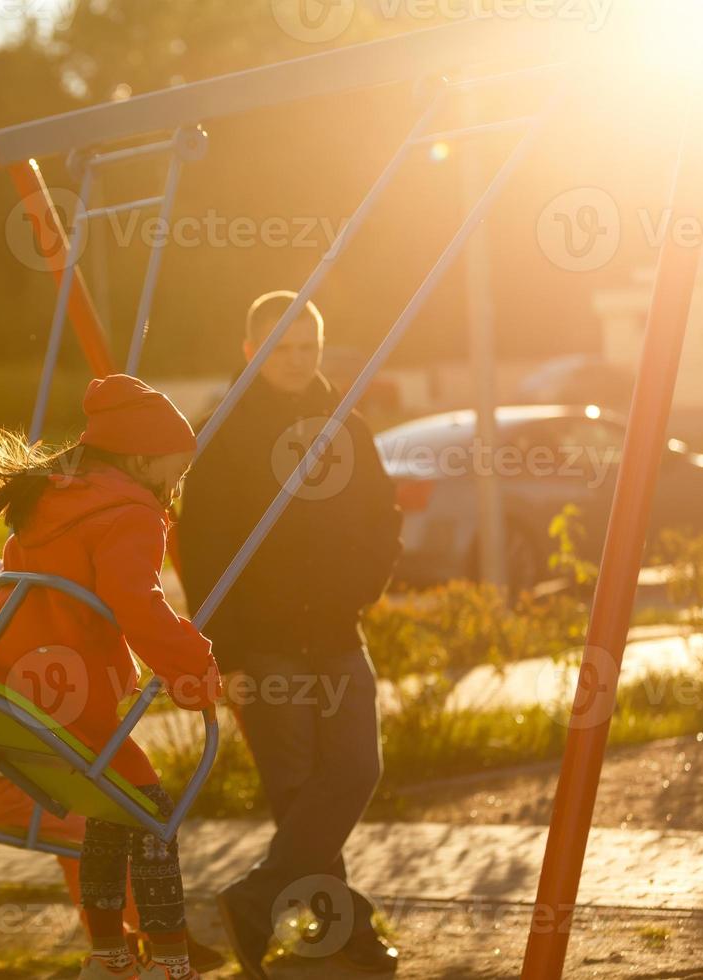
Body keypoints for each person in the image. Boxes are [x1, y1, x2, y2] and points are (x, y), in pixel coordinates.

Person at [0, 374, 224, 980]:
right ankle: (170, 961)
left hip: (16, 682)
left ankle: (108, 956)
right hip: (74, 693)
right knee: (154, 811)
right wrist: (196, 667)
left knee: (109, 809)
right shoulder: (131, 512)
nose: (174, 486)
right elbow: (138, 605)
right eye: (173, 471)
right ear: (140, 458)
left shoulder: (50, 496)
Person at [176, 291, 403, 979]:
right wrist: (228, 656)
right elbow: (204, 551)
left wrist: (360, 589)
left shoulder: (347, 428)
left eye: (308, 348)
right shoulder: (223, 436)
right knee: (300, 793)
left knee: (357, 769)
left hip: (336, 633)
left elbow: (382, 518)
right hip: (264, 645)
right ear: (252, 353)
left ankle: (254, 900)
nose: (298, 362)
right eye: (282, 349)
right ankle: (346, 935)